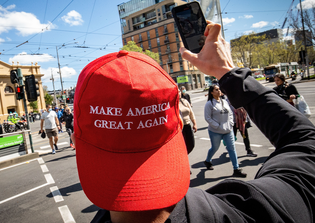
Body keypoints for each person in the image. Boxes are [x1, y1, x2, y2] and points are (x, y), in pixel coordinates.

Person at [71, 21, 315, 222]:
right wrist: (227, 72)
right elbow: (305, 143)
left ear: (75, 142)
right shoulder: (253, 211)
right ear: (179, 124)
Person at [203, 85, 246, 177]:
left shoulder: (224, 101)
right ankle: (207, 161)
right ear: (211, 92)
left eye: (219, 89)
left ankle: (236, 169)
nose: (219, 91)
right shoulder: (209, 104)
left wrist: (230, 123)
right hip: (215, 132)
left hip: (228, 130)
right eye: (216, 90)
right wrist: (217, 126)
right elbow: (207, 118)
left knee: (232, 148)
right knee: (214, 148)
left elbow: (230, 113)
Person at [178, 90, 197, 154]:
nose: (179, 93)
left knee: (191, 144)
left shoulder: (184, 101)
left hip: (187, 125)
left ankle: (185, 155)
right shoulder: (172, 103)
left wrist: (194, 124)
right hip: (179, 128)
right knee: (182, 145)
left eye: (179, 92)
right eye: (177, 92)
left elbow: (191, 113)